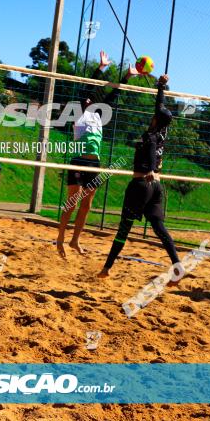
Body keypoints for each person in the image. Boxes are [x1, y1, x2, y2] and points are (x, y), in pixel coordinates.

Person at [57, 50, 140, 258]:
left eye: (89, 99)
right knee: (72, 202)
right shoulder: (78, 112)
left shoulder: (99, 115)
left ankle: (75, 240)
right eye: (85, 98)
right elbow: (88, 85)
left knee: (86, 205)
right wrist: (101, 68)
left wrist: (127, 77)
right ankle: (60, 239)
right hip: (78, 161)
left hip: (95, 165)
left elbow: (113, 94)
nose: (87, 99)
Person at [99, 74, 179, 279]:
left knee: (124, 229)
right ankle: (177, 265)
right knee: (159, 228)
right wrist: (161, 86)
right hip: (156, 188)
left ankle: (107, 269)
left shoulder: (150, 135)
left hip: (142, 184)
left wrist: (150, 168)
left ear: (155, 118)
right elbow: (160, 106)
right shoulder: (163, 131)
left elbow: (151, 149)